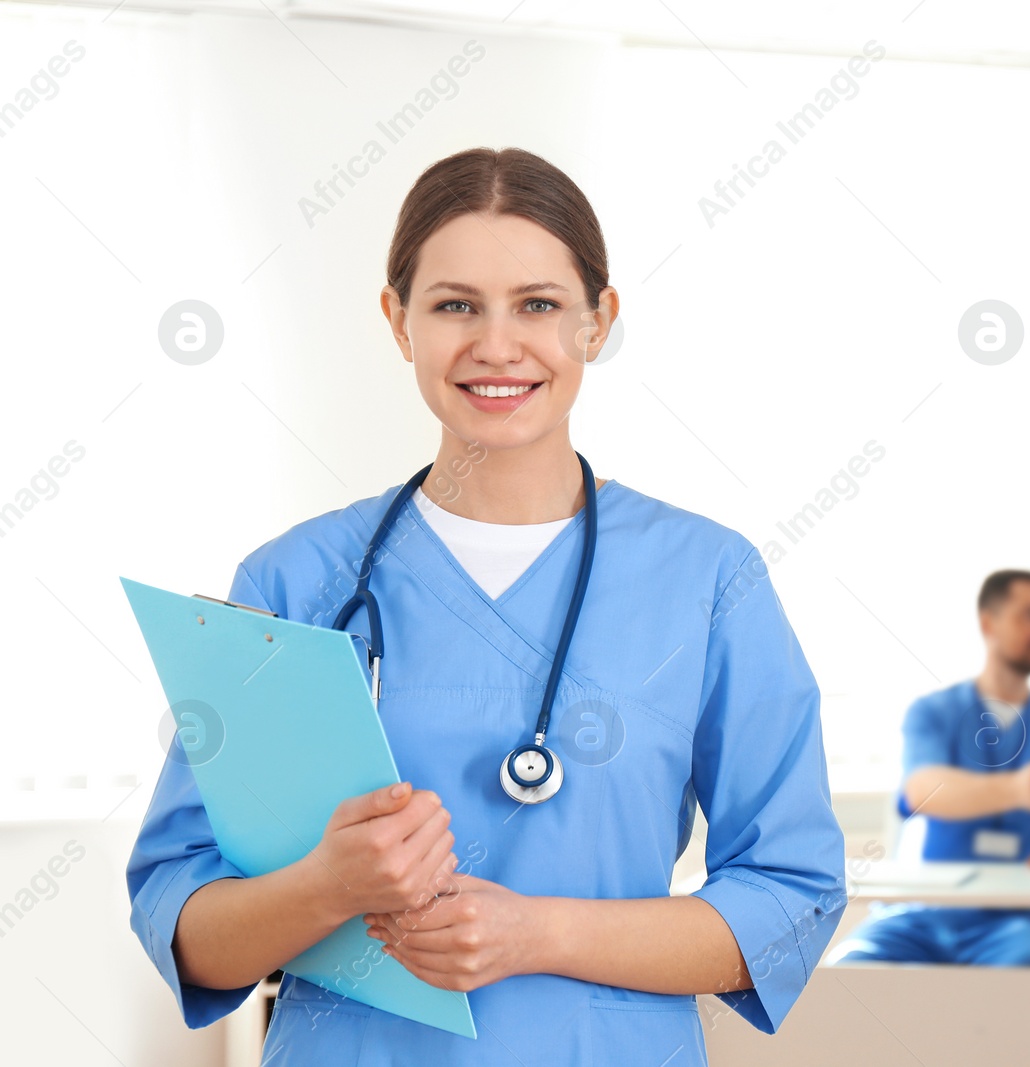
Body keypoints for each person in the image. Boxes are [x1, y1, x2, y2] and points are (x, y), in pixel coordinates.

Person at [124, 147, 847, 1065]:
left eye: (539, 305)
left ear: (599, 321)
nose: (497, 345)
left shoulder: (708, 580)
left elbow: (790, 897)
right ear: (399, 321)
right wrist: (327, 885)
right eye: (455, 304)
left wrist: (537, 933)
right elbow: (184, 923)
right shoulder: (293, 581)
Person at [829, 569, 1030, 967]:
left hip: (1019, 925)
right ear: (989, 624)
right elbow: (921, 790)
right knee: (850, 970)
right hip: (920, 917)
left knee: (1029, 977)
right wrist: (1019, 790)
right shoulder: (933, 713)